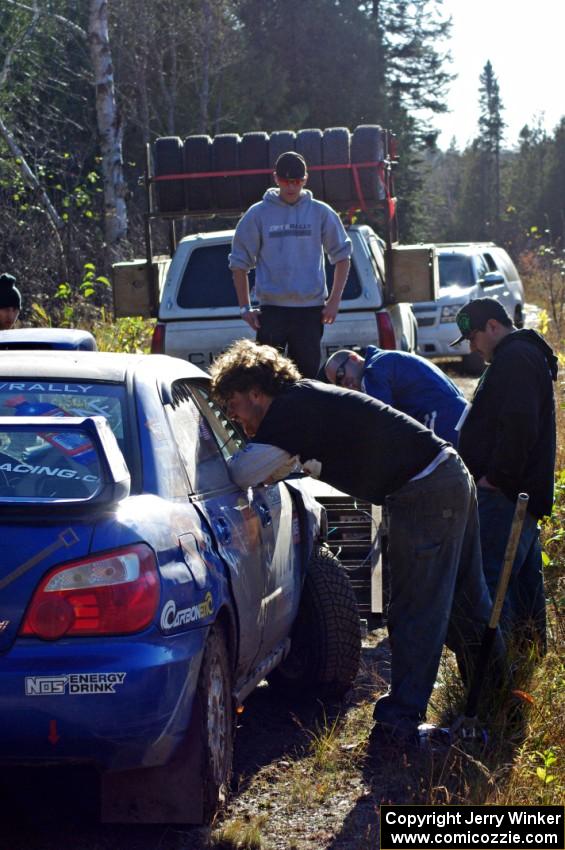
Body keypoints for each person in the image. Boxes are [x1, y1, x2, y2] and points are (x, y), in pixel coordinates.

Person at [210, 339, 505, 747]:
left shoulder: (289, 410)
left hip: (425, 492)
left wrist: (214, 464)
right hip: (447, 476)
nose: (231, 417)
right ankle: (498, 699)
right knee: (466, 604)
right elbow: (276, 465)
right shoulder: (304, 402)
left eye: (232, 405)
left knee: (415, 610)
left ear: (255, 392)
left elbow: (243, 472)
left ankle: (400, 722)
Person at [452, 298, 558, 652]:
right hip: (516, 496)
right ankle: (526, 668)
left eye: (473, 336)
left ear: (493, 327)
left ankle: (499, 677)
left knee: (493, 588)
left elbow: (520, 426)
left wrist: (497, 478)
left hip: (506, 496)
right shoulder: (517, 357)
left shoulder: (516, 359)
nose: (472, 346)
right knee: (524, 590)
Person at [228, 151, 352, 378]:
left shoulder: (320, 212)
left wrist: (333, 301)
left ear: (305, 180)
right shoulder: (258, 214)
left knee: (306, 379)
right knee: (266, 379)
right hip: (273, 311)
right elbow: (239, 263)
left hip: (310, 311)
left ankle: (304, 414)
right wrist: (245, 308)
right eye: (285, 181)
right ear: (276, 178)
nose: (291, 187)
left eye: (296, 181)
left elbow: (343, 255)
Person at [325, 346, 468, 445]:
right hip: (461, 411)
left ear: (353, 358)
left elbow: (382, 421)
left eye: (341, 374)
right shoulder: (385, 359)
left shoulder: (372, 372)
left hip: (442, 418)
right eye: (339, 384)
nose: (344, 383)